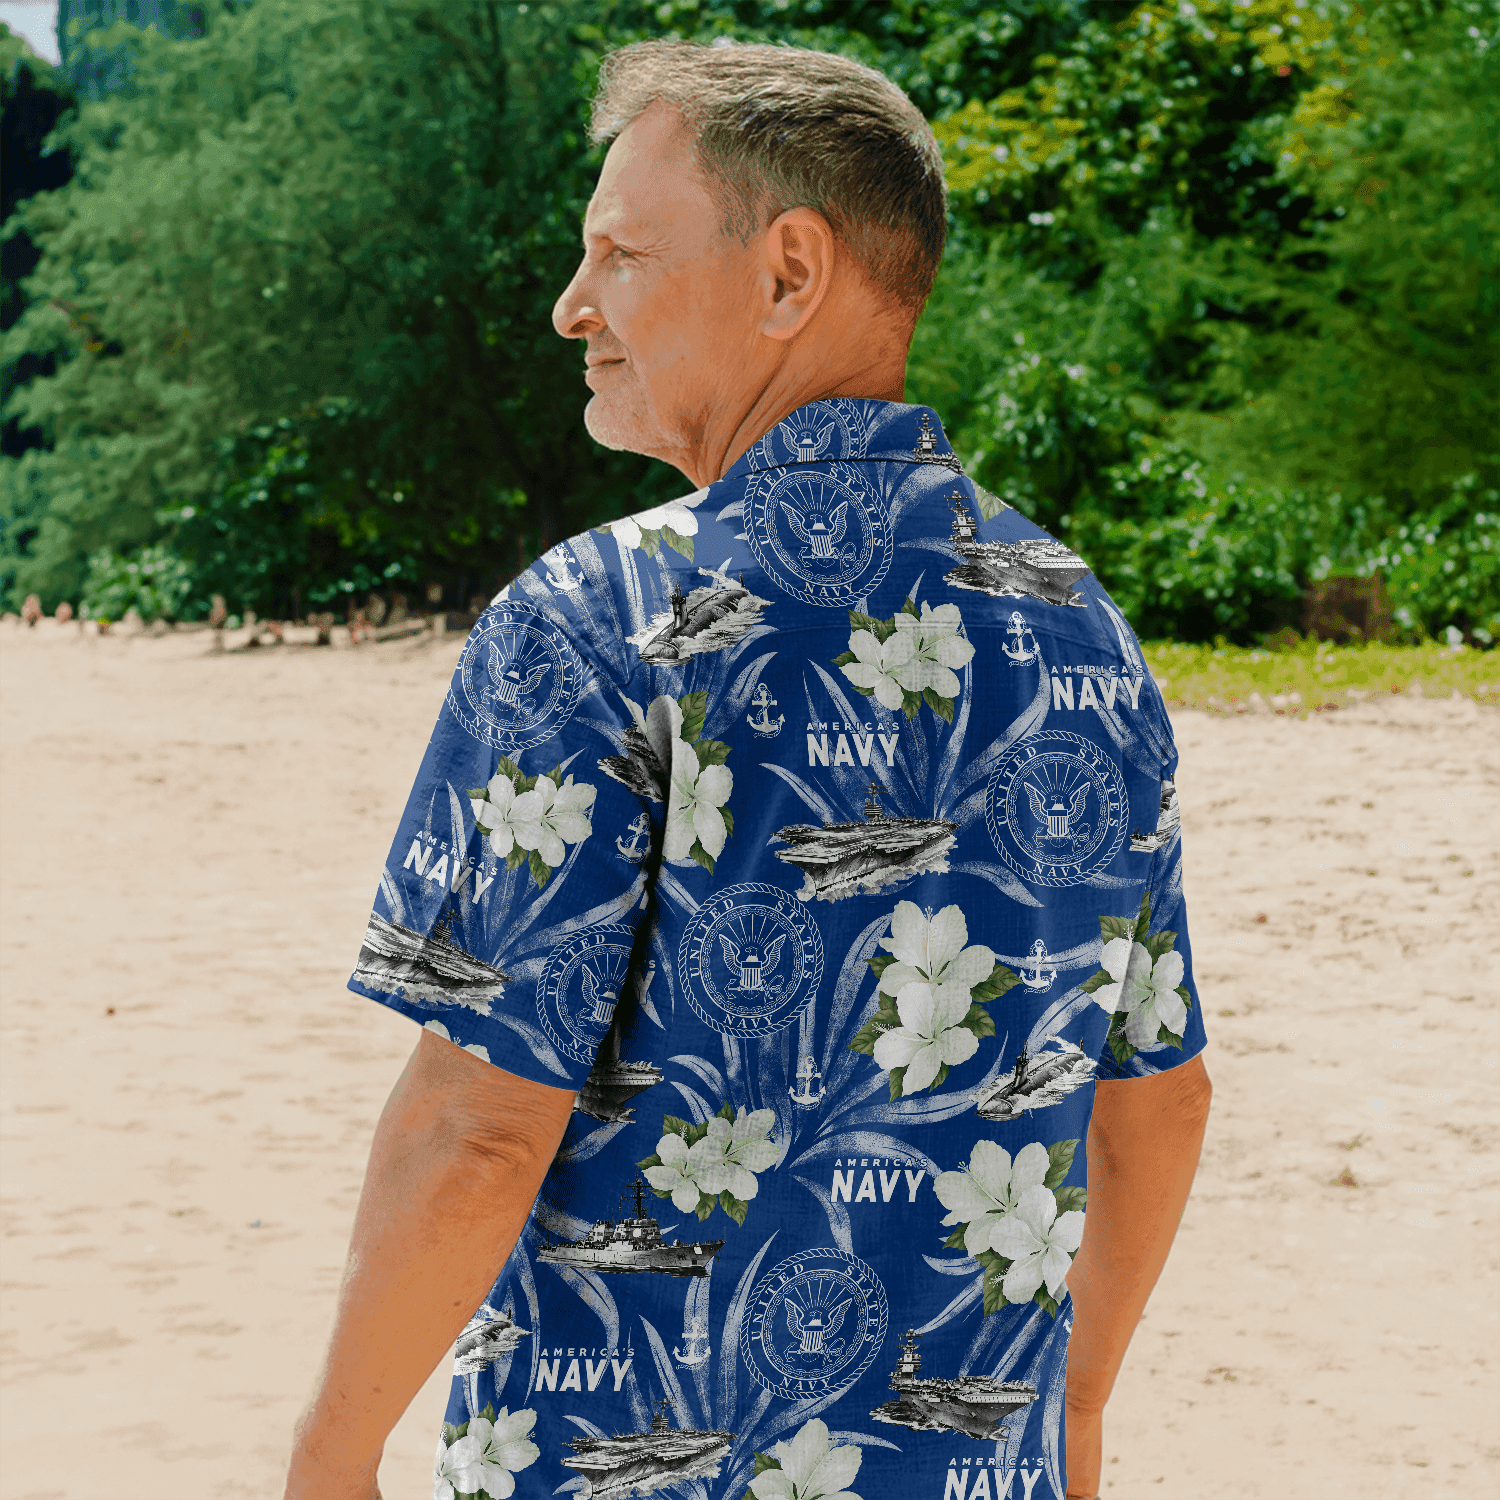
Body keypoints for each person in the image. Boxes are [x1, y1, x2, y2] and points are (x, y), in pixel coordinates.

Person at [284, 38, 1211, 1500]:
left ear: (789, 273)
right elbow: (1154, 1098)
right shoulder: (1076, 622)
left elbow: (479, 1128)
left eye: (621, 253)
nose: (571, 304)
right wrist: (1074, 1417)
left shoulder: (598, 619)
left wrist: (330, 1461)